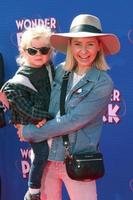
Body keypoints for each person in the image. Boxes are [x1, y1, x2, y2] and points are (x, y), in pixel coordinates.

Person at [17, 14, 120, 200]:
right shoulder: (59, 71)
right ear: (70, 46)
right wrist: (18, 116)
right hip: (45, 161)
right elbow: (33, 96)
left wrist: (29, 132)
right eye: (78, 44)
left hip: (78, 162)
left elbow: (73, 121)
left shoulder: (103, 82)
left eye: (90, 44)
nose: (83, 51)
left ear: (99, 46)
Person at [0, 25, 55, 200]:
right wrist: (40, 117)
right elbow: (23, 106)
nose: (39, 54)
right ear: (23, 52)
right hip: (31, 120)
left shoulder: (50, 68)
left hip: (48, 119)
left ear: (51, 51)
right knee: (41, 155)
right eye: (32, 50)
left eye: (44, 50)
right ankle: (33, 191)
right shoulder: (18, 80)